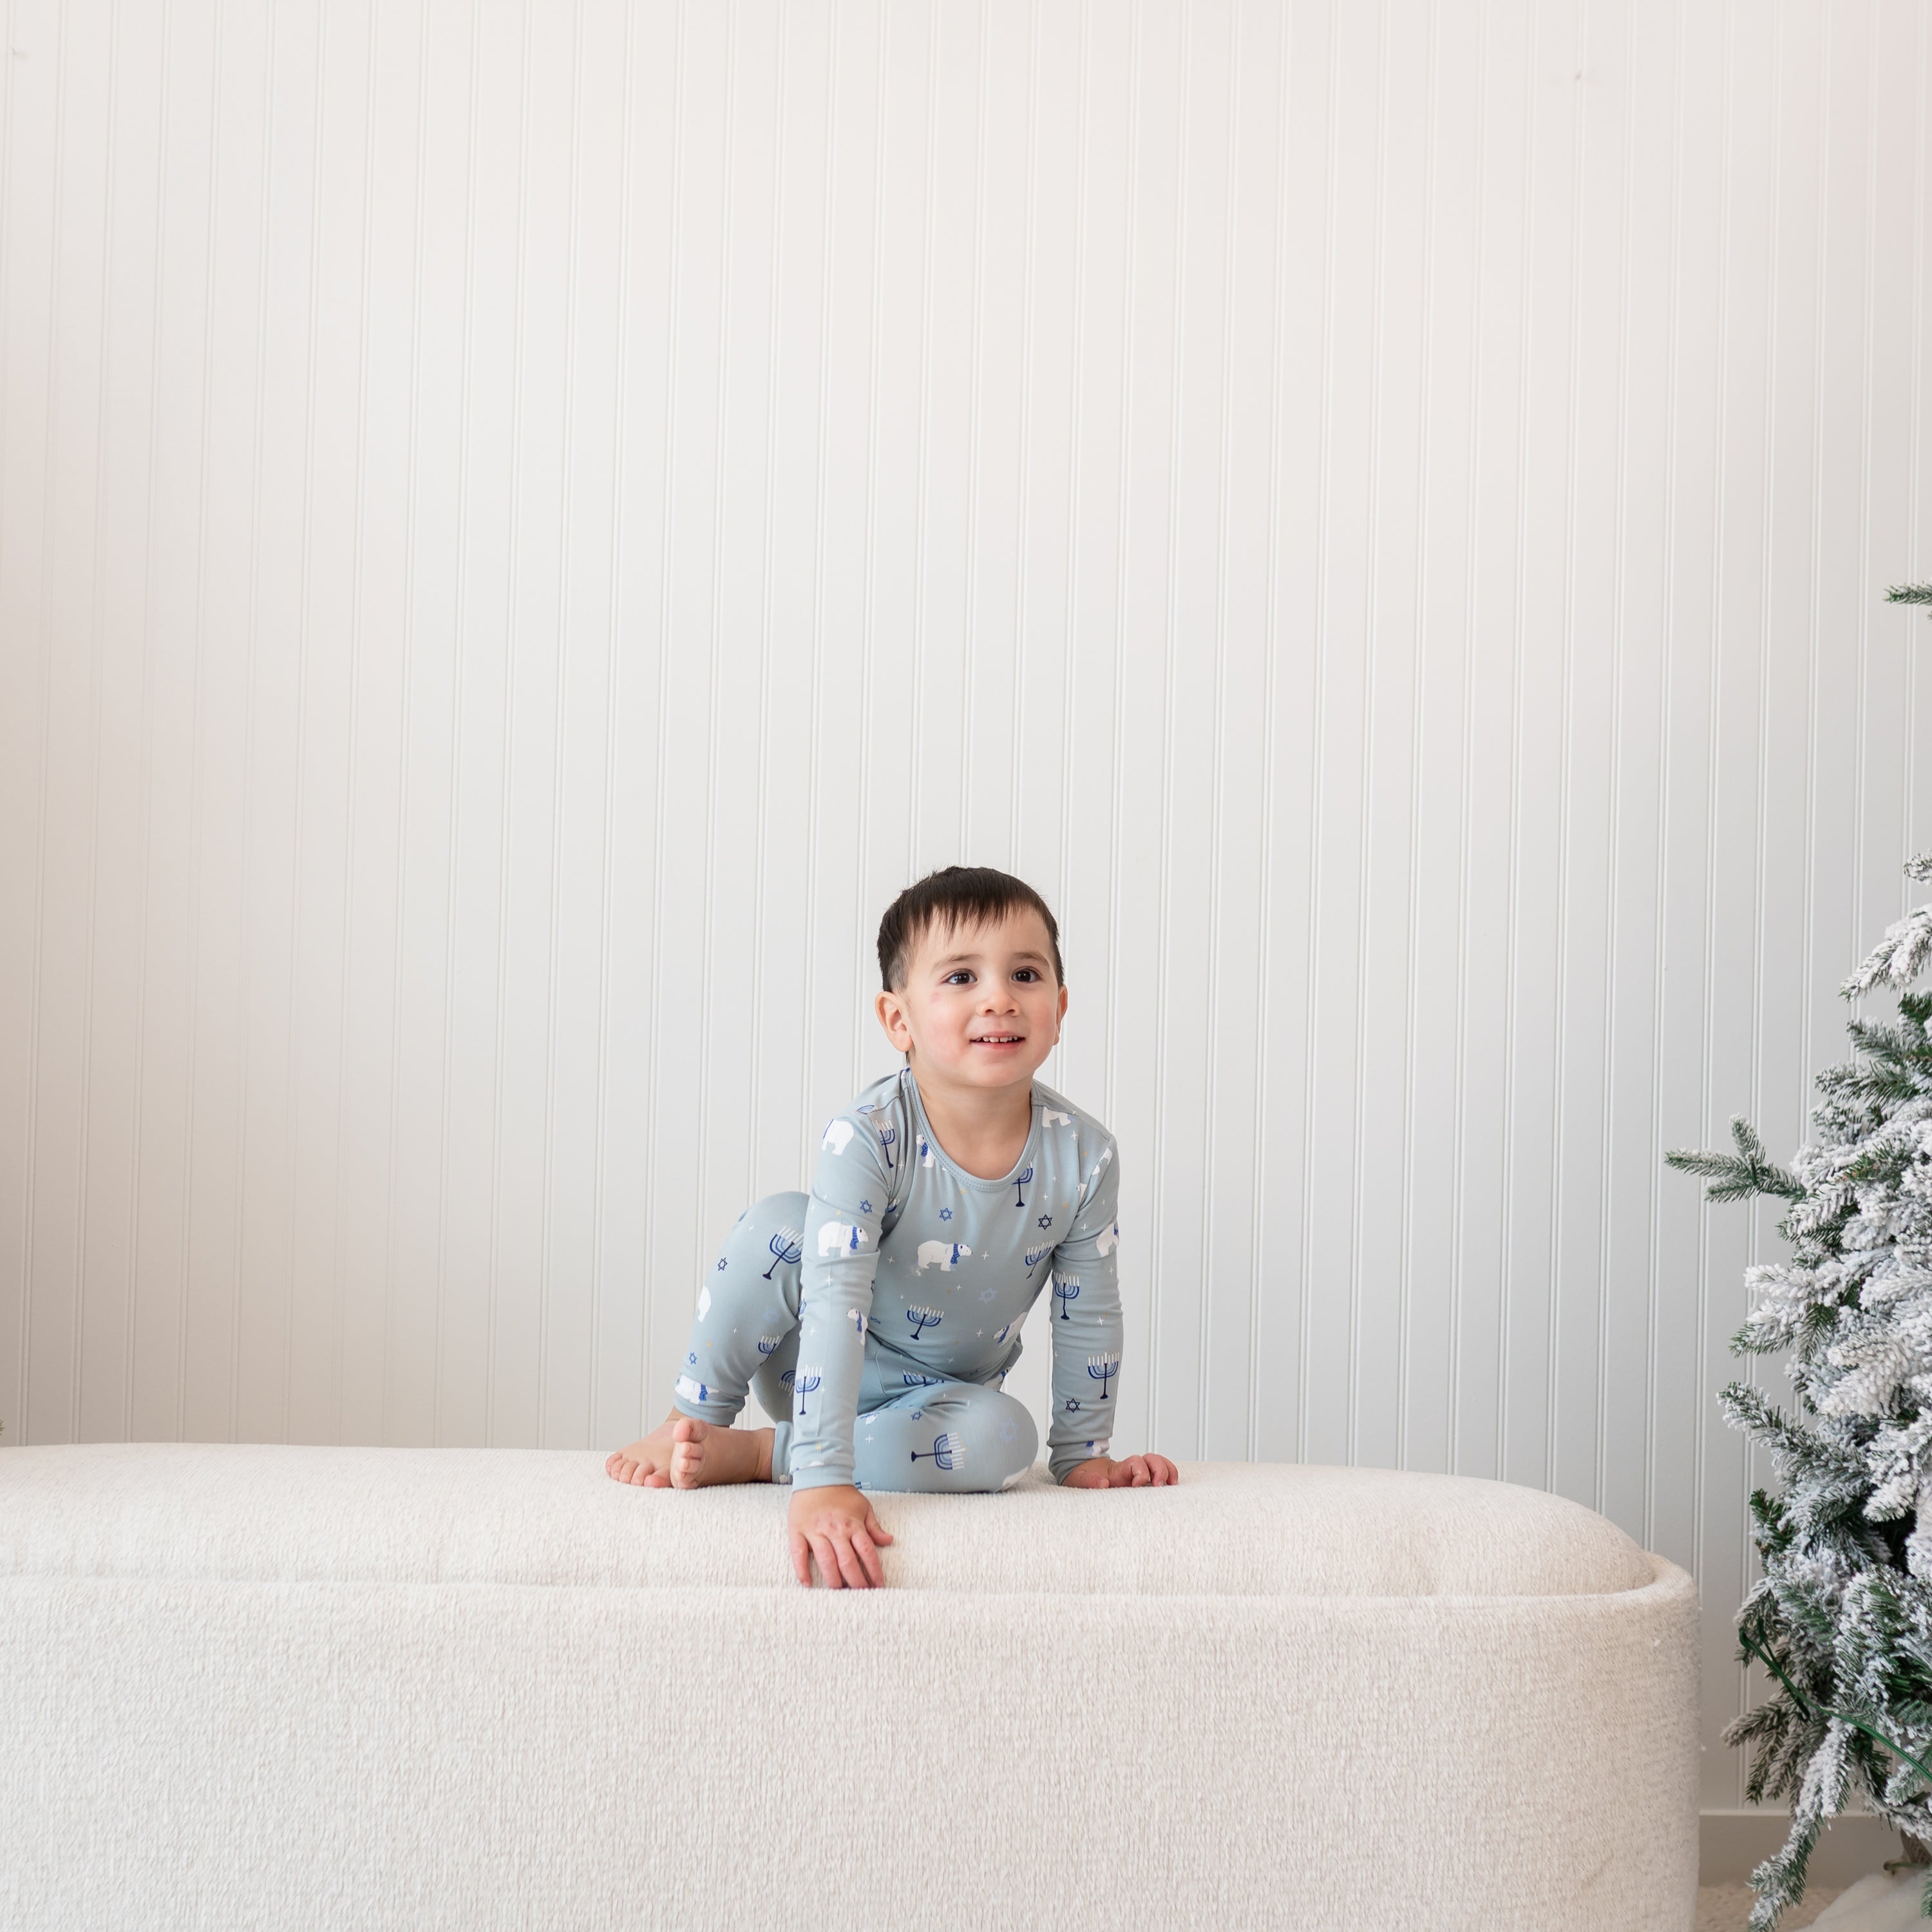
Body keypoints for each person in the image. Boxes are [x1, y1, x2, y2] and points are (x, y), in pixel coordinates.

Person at [605, 865, 1179, 1587]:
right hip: (814, 1360)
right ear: (898, 1020)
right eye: (962, 977)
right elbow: (835, 1297)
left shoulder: (1085, 1157)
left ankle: (760, 1453)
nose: (1000, 998)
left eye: (1026, 975)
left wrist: (1083, 1456)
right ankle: (691, 1422)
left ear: (1060, 1009)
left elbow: (1088, 1313)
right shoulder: (869, 1137)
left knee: (1006, 1438)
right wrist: (823, 1478)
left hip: (935, 1406)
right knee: (780, 1224)